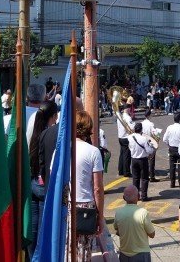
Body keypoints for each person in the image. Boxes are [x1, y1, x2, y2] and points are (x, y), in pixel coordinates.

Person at [28, 100, 58, 257]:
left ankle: (33, 256)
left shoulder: (34, 131)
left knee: (33, 227)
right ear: (53, 116)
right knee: (43, 227)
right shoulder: (51, 133)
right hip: (44, 184)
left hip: (32, 181)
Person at [75, 110, 105, 259]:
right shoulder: (93, 152)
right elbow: (98, 188)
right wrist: (100, 217)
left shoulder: (60, 151)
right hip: (85, 206)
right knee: (84, 250)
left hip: (65, 204)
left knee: (68, 247)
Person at [113, 185, 155, 262]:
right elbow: (152, 234)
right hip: (141, 255)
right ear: (138, 197)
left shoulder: (118, 212)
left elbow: (117, 229)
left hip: (124, 255)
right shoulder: (143, 213)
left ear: (123, 198)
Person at [129, 122, 154, 201]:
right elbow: (149, 151)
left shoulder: (129, 137)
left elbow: (129, 147)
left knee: (135, 178)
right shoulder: (144, 139)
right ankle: (144, 196)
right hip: (142, 160)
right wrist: (152, 147)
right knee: (144, 178)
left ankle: (136, 196)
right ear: (141, 130)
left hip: (134, 159)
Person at [163, 113, 180, 188]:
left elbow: (165, 139)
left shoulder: (169, 127)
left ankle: (172, 183)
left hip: (172, 148)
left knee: (172, 166)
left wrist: (169, 145)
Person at [140, 110, 159, 182]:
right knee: (151, 160)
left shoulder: (142, 123)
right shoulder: (151, 124)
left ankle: (145, 175)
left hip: (143, 142)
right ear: (149, 115)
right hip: (150, 142)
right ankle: (152, 176)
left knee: (144, 159)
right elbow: (154, 133)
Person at [117, 104, 135, 177]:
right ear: (127, 109)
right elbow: (132, 127)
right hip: (126, 137)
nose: (130, 110)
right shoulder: (128, 118)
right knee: (127, 156)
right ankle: (126, 172)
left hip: (120, 137)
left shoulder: (120, 116)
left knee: (122, 154)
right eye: (129, 108)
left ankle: (121, 170)